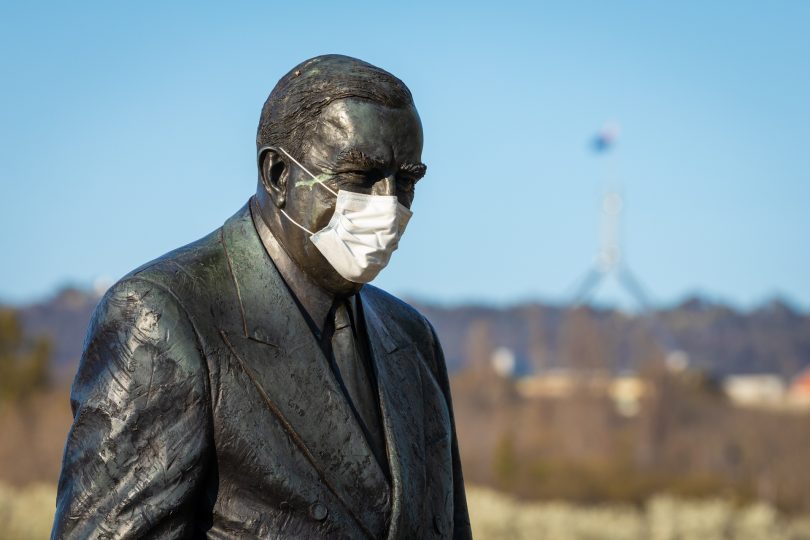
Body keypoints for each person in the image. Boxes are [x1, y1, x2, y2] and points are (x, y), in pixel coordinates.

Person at [52, 54, 472, 539]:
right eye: (359, 177)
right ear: (277, 176)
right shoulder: (164, 317)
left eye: (406, 181)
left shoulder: (413, 340)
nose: (388, 204)